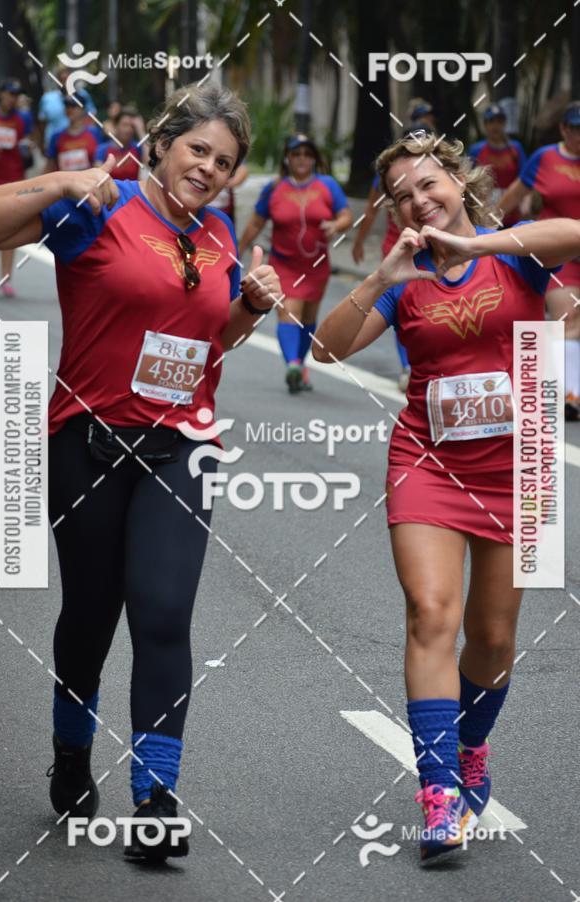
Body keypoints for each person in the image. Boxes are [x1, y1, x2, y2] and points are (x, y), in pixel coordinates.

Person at [0, 81, 280, 863]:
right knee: (91, 612)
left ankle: (156, 801)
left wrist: (250, 307)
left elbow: (211, 342)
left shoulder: (219, 234)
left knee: (162, 613)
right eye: (198, 150)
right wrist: (62, 181)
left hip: (183, 449)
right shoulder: (102, 206)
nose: (208, 168)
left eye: (224, 161)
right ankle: (72, 749)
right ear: (162, 145)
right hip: (88, 443)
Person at [313, 132, 579, 863]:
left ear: (459, 183)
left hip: (520, 465)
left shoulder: (514, 252)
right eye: (402, 195)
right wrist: (380, 276)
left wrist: (480, 244)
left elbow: (571, 233)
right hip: (427, 463)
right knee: (431, 612)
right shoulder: (402, 278)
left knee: (492, 637)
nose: (419, 200)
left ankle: (469, 748)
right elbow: (326, 348)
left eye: (429, 184)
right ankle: (438, 793)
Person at [239, 134, 352, 393]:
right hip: (284, 265)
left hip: (316, 267)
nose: (302, 159)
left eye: (307, 154)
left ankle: (299, 364)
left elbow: (346, 215)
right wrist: (240, 249)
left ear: (314, 159)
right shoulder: (274, 188)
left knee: (308, 318)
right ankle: (291, 364)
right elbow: (256, 222)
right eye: (296, 154)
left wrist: (336, 225)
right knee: (289, 311)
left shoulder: (327, 185)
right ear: (287, 159)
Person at [500, 101, 580, 420]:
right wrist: (481, 238)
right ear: (563, 129)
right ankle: (569, 396)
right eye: (575, 128)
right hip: (559, 254)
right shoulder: (545, 158)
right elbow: (512, 197)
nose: (579, 135)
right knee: (569, 318)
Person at [352, 125, 434, 392]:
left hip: (435, 249)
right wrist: (359, 241)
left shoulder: (439, 173)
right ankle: (408, 367)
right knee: (404, 308)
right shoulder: (388, 176)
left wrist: (480, 243)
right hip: (398, 250)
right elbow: (371, 211)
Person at [0, 78, 32, 298]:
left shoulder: (23, 118)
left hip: (13, 179)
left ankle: (6, 278)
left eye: (16, 95)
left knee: (12, 229)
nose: (12, 99)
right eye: (10, 94)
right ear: (1, 94)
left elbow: (28, 142)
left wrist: (28, 148)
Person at [468, 104, 527, 227]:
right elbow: (468, 180)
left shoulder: (515, 149)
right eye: (491, 121)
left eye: (499, 121)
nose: (495, 126)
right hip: (484, 214)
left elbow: (525, 180)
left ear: (505, 124)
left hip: (512, 214)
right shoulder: (476, 150)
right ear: (485, 125)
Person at [37, 66, 96, 153]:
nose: (65, 83)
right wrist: (42, 144)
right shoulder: (47, 98)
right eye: (62, 79)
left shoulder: (83, 95)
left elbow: (91, 117)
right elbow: (42, 123)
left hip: (80, 144)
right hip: (55, 145)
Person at [44, 94, 101, 173]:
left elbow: (101, 159)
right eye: (67, 106)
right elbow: (50, 166)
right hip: (65, 180)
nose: (69, 110)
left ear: (82, 109)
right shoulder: (56, 136)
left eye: (73, 106)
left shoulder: (94, 133)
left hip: (90, 179)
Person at [95, 106, 148, 180]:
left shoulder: (137, 148)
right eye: (124, 125)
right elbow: (98, 176)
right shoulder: (103, 149)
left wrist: (141, 131)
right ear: (116, 126)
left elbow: (149, 162)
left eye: (132, 126)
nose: (128, 129)